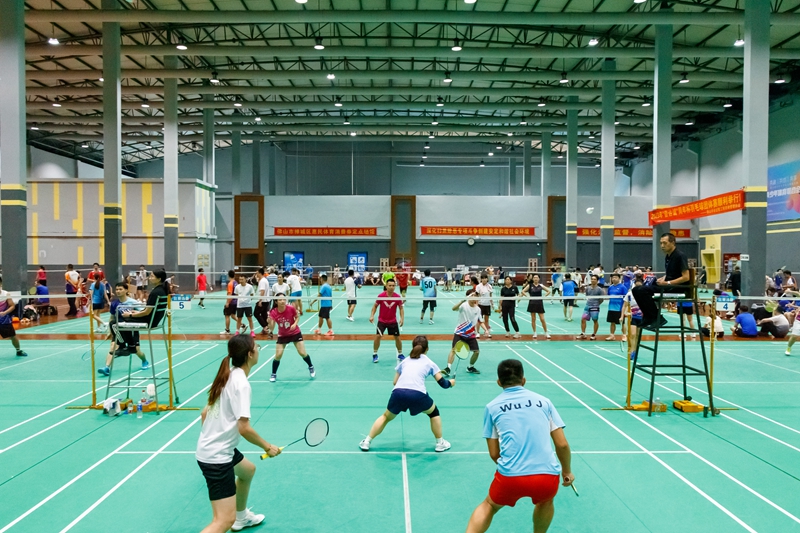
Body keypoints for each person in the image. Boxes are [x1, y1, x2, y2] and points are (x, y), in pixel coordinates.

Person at [466, 359, 574, 533]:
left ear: (499, 382)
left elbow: (494, 453)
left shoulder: (492, 407)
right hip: (546, 477)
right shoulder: (544, 402)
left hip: (510, 476)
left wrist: (514, 469)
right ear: (523, 380)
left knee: (489, 505)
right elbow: (562, 444)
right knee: (545, 502)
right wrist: (567, 472)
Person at [196, 335, 279, 533]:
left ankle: (241, 518)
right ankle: (235, 519)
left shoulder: (228, 374)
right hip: (217, 456)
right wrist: (268, 447)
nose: (258, 349)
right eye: (257, 346)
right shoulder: (241, 384)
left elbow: (204, 413)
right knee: (223, 521)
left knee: (247, 470)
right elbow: (244, 428)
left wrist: (214, 437)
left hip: (215, 448)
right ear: (250, 354)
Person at [359, 335, 454, 453]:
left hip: (398, 393)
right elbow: (443, 383)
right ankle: (440, 443)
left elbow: (395, 382)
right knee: (434, 413)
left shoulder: (405, 361)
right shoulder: (429, 362)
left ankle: (367, 441)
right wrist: (451, 383)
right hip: (418, 395)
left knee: (385, 417)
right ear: (427, 349)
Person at [632, 233, 691, 329]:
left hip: (677, 288)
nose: (662, 246)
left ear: (673, 242)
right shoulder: (668, 256)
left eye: (665, 243)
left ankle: (657, 318)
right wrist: (664, 277)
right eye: (661, 243)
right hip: (668, 286)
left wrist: (667, 282)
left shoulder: (680, 256)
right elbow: (674, 273)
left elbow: (686, 277)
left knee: (642, 291)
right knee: (636, 290)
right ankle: (648, 317)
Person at [98, 282, 149, 376]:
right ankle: (107, 367)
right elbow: (112, 318)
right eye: (117, 289)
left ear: (126, 290)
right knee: (113, 347)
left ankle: (144, 361)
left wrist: (132, 314)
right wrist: (110, 331)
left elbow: (142, 313)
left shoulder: (133, 302)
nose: (118, 291)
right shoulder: (114, 303)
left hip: (131, 329)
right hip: (118, 330)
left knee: (136, 350)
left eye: (120, 289)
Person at [267, 293, 315, 382]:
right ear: (276, 301)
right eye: (280, 300)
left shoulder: (290, 308)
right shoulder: (273, 312)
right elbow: (272, 328)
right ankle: (273, 374)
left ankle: (311, 366)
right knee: (278, 355)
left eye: (283, 299)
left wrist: (295, 324)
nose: (282, 301)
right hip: (282, 335)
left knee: (302, 353)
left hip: (295, 333)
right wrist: (269, 322)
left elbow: (297, 317)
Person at [441, 290, 483, 376]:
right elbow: (453, 309)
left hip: (471, 334)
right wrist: (461, 301)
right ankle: (448, 368)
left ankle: (470, 367)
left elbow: (480, 321)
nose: (474, 297)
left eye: (476, 296)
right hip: (459, 333)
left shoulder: (478, 309)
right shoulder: (463, 305)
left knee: (476, 352)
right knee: (453, 350)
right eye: (473, 295)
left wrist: (486, 330)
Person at [369, 279, 404, 364]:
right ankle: (375, 354)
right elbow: (375, 306)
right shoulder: (381, 296)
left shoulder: (397, 297)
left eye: (393, 285)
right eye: (390, 285)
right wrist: (372, 315)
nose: (391, 287)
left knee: (397, 337)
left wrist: (402, 318)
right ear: (386, 286)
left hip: (392, 321)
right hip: (382, 321)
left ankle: (400, 354)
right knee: (378, 336)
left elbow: (401, 308)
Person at [0, 277, 27, 357]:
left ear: (0, 284)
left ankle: (18, 350)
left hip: (4, 320)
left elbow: (12, 306)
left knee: (12, 336)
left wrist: (5, 313)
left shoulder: (6, 294)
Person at [522, 274, 550, 340]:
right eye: (534, 277)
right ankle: (534, 332)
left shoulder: (541, 285)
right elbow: (523, 291)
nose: (535, 279)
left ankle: (546, 332)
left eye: (537, 277)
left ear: (539, 279)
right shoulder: (530, 285)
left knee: (542, 319)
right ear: (533, 279)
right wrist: (527, 296)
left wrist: (544, 296)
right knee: (533, 319)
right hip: (532, 303)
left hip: (539, 303)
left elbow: (549, 291)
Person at [623, 275, 644, 360]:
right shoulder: (629, 294)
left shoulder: (645, 294)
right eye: (636, 285)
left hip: (641, 318)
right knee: (633, 334)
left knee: (638, 335)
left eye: (640, 286)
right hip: (633, 317)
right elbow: (624, 305)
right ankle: (632, 350)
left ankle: (635, 351)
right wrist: (623, 314)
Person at [577, 275, 603, 341]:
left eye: (594, 279)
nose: (593, 280)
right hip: (587, 306)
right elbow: (587, 296)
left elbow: (601, 299)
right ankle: (583, 333)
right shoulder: (588, 288)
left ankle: (594, 334)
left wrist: (597, 304)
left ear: (597, 281)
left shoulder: (599, 289)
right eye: (592, 279)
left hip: (595, 307)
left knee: (595, 320)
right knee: (583, 319)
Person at [605, 273, 627, 341]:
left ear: (619, 278)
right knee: (612, 322)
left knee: (622, 323)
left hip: (619, 308)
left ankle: (624, 335)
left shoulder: (623, 287)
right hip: (611, 308)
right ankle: (612, 335)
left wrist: (625, 309)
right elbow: (609, 296)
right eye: (613, 277)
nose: (614, 279)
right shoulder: (610, 287)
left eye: (616, 277)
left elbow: (626, 298)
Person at [476, 273, 495, 338]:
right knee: (479, 320)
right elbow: (477, 296)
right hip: (480, 305)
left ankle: (486, 332)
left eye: (485, 278)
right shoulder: (478, 286)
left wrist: (492, 304)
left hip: (487, 305)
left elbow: (490, 296)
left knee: (486, 320)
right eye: (483, 278)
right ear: (481, 279)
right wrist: (476, 305)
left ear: (487, 279)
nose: (484, 279)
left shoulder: (489, 286)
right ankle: (477, 332)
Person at [253, 268, 271, 336]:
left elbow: (262, 291)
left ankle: (265, 327)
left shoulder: (263, 281)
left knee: (256, 313)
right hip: (265, 300)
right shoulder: (263, 280)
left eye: (257, 273)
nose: (256, 274)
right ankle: (267, 328)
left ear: (260, 273)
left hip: (263, 301)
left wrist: (260, 301)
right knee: (264, 315)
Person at [221, 270, 238, 336]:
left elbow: (230, 294)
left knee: (227, 315)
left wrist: (227, 302)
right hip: (236, 302)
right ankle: (242, 325)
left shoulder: (230, 284)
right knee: (233, 315)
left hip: (231, 302)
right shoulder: (236, 282)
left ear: (228, 275)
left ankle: (227, 330)